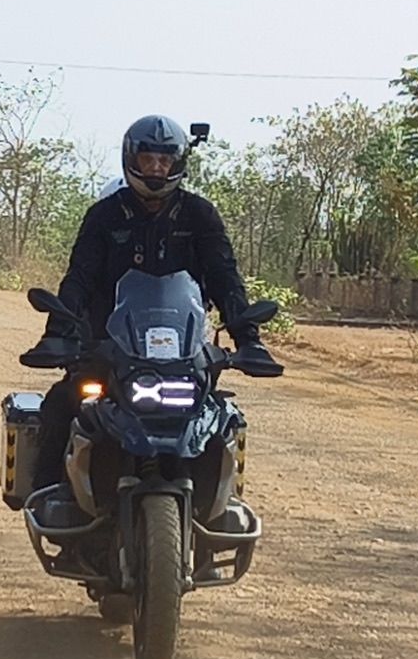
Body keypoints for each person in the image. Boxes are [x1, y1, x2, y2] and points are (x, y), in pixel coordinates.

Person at [21, 115, 283, 489]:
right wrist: (58, 334)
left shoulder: (200, 215)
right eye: (148, 159)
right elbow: (79, 278)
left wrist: (248, 339)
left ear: (178, 163)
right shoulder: (105, 215)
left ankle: (223, 503)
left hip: (185, 353)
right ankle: (48, 500)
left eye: (165, 159)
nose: (157, 167)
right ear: (132, 159)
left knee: (220, 416)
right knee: (62, 404)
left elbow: (225, 279)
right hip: (108, 350)